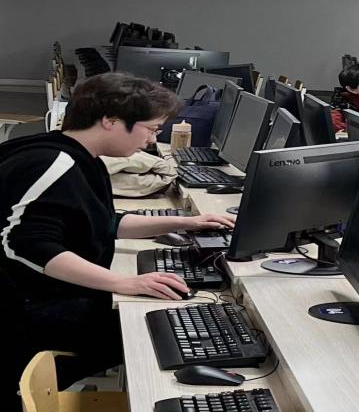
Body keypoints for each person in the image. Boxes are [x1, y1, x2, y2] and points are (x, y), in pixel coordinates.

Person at [0, 73, 235, 411]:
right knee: (148, 334)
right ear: (110, 121)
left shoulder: (81, 157)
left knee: (164, 323)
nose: (153, 139)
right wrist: (124, 282)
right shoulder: (53, 165)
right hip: (25, 309)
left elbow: (105, 223)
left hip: (40, 296)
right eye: (151, 128)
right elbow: (24, 244)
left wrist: (186, 222)